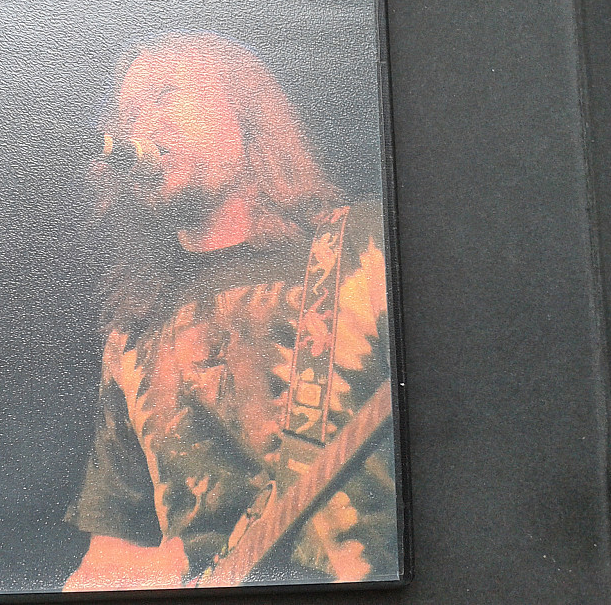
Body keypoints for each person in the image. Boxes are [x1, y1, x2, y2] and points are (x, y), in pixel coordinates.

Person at [64, 32, 399, 591]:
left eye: (164, 96)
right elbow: (110, 553)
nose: (140, 128)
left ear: (245, 111)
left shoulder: (367, 243)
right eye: (129, 116)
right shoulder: (132, 332)